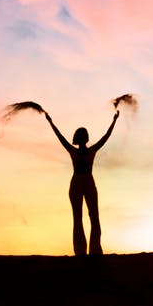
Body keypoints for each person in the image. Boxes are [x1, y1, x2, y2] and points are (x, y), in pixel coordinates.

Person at [45, 109, 118, 256]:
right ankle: (82, 251)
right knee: (81, 218)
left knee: (92, 216)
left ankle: (93, 250)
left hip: (85, 182)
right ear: (83, 139)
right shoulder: (80, 151)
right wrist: (50, 122)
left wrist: (114, 121)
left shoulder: (84, 150)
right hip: (79, 183)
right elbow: (60, 137)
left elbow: (106, 136)